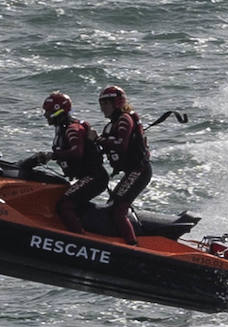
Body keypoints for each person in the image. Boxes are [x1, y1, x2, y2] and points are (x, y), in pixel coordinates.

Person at [21, 91, 109, 234]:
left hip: (94, 177)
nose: (45, 115)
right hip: (87, 177)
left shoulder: (72, 129)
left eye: (47, 111)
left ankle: (79, 237)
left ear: (57, 111)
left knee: (65, 204)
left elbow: (77, 152)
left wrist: (53, 156)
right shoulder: (62, 129)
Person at [97, 84, 152, 245]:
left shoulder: (124, 119)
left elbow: (121, 144)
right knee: (113, 202)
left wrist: (99, 140)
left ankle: (131, 245)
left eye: (105, 104)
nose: (102, 109)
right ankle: (118, 237)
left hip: (139, 171)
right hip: (133, 171)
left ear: (117, 103)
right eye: (101, 105)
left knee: (118, 209)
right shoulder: (116, 122)